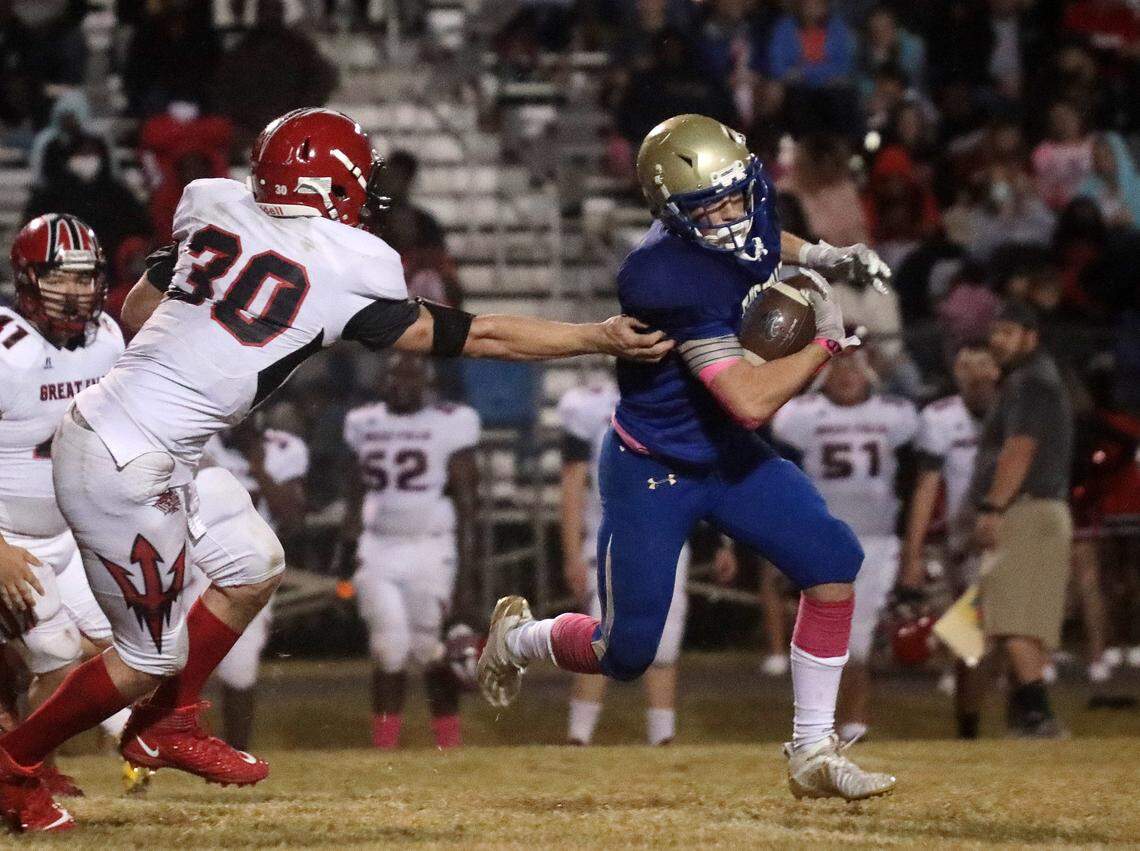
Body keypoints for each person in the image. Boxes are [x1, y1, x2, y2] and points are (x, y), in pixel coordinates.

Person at [0, 107, 671, 833]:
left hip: (141, 440)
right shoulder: (354, 264)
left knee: (253, 562)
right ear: (329, 184)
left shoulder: (211, 200)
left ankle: (169, 722)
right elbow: (473, 333)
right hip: (126, 463)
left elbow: (138, 308)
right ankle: (14, 765)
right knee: (143, 658)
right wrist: (593, 335)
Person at [477, 113, 897, 801]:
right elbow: (751, 402)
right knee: (627, 652)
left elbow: (765, 242)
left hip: (725, 457)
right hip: (655, 467)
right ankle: (520, 635)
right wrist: (823, 345)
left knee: (832, 561)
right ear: (674, 215)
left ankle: (813, 747)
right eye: (712, 208)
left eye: (738, 196)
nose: (734, 215)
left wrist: (824, 256)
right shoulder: (662, 276)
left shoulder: (740, 214)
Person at [0, 215, 135, 801]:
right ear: (27, 278)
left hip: (70, 530)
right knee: (54, 651)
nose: (76, 293)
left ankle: (32, 758)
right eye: (60, 277)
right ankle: (22, 767)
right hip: (9, 534)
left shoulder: (107, 337)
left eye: (86, 279)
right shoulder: (7, 352)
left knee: (126, 649)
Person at [559, 377, 724, 746]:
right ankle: (577, 737)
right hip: (609, 533)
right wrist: (571, 551)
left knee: (665, 639)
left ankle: (662, 738)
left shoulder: (683, 400)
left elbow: (706, 473)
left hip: (666, 533)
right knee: (601, 631)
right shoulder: (588, 404)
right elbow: (572, 482)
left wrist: (723, 540)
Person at [771, 351, 918, 743]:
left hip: (877, 537)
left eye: (855, 364)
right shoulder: (800, 414)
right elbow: (781, 479)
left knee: (860, 636)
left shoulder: (896, 414)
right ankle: (828, 724)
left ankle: (853, 722)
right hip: (822, 537)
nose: (847, 373)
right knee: (827, 633)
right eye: (838, 364)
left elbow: (912, 481)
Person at [341, 353, 479, 750]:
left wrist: (467, 581)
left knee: (431, 649)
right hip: (378, 547)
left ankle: (448, 745)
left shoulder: (451, 423)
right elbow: (354, 494)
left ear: (428, 383)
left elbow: (469, 503)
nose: (402, 384)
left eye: (411, 376)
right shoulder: (363, 422)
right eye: (394, 375)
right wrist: (345, 552)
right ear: (382, 380)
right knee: (389, 646)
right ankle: (384, 748)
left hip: (431, 547)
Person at [970, 301, 1074, 737]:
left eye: (1008, 331)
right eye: (995, 331)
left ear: (1031, 336)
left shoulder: (1029, 383)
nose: (998, 340)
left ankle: (1037, 716)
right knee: (1015, 619)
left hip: (1025, 508)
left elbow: (1020, 449)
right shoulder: (1035, 380)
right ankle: (1020, 716)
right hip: (1037, 509)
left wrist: (994, 506)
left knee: (1012, 619)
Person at [185, 417, 308, 752]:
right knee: (167, 660)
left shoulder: (283, 449)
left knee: (240, 666)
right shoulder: (196, 435)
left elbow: (294, 518)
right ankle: (150, 749)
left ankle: (237, 753)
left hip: (247, 566)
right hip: (189, 562)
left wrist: (258, 466)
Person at [896, 342, 1000, 739]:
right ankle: (969, 728)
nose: (975, 374)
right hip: (967, 539)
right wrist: (913, 554)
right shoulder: (940, 418)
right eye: (965, 365)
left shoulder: (1018, 409)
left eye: (983, 362)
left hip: (1012, 532)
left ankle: (1022, 707)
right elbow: (926, 487)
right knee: (969, 639)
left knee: (1002, 636)